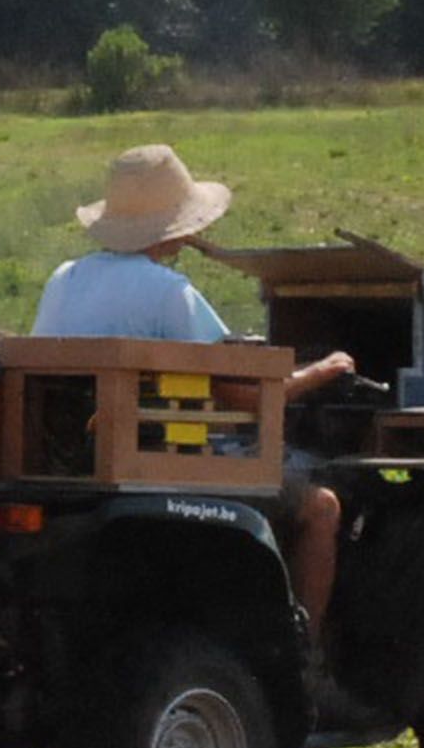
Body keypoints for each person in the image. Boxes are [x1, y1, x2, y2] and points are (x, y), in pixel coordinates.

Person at [30, 144, 352, 642]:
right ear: (175, 227)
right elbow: (248, 396)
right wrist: (325, 369)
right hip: (163, 457)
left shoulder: (64, 279)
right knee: (322, 506)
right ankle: (305, 652)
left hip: (72, 455)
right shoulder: (168, 291)